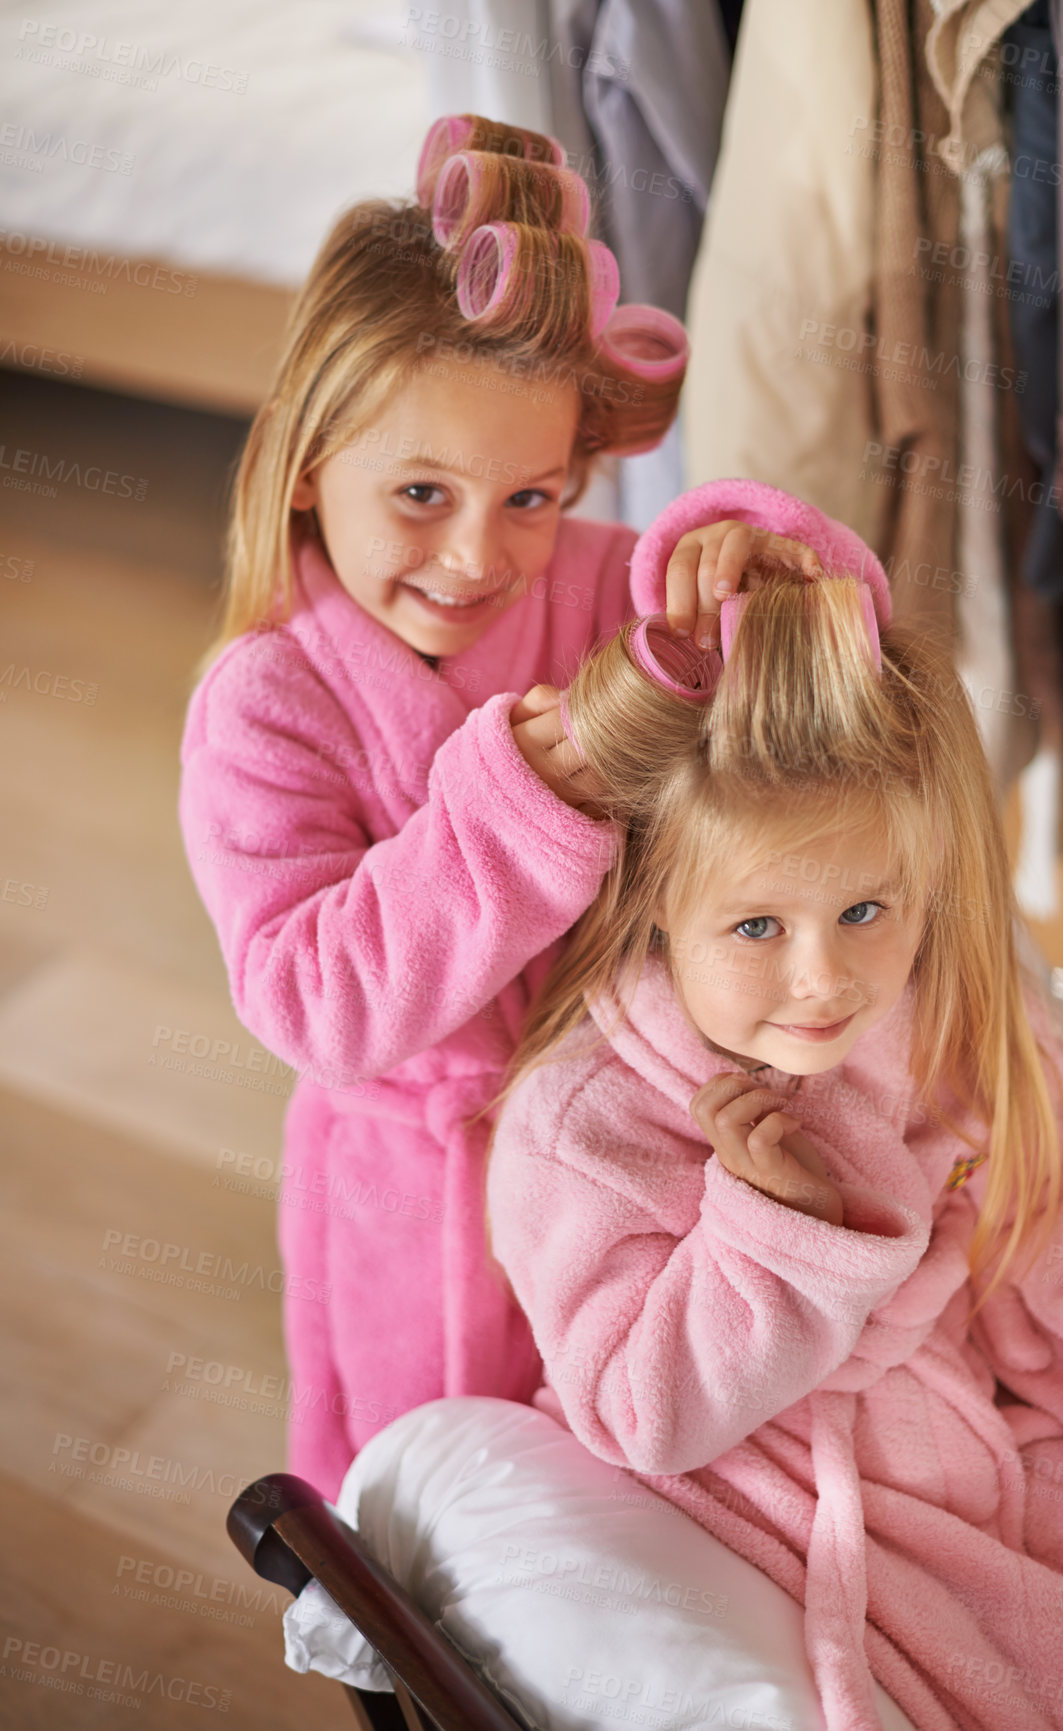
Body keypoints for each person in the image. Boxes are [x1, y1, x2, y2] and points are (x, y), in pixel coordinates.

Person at [178, 114, 815, 1499]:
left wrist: (753, 568)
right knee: (453, 1496)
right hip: (426, 1200)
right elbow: (312, 998)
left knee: (643, 1464)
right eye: (420, 492)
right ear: (304, 468)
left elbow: (812, 639)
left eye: (529, 494)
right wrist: (521, 801)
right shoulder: (267, 700)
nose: (478, 555)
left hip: (633, 1144)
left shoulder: (591, 584)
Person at [487, 479, 1063, 1731]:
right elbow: (648, 1414)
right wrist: (770, 1232)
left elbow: (1054, 1164)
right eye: (757, 925)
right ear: (655, 911)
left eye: (865, 910)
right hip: (812, 1489)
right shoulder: (585, 1130)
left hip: (994, 1419)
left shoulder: (929, 998)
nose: (825, 977)